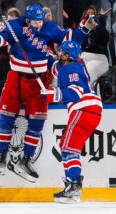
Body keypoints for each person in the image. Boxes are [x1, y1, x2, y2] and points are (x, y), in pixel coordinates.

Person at [0, 3, 97, 182]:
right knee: (6, 118)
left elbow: (71, 39)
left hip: (39, 80)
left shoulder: (50, 27)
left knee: (37, 122)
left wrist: (84, 29)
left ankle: (27, 159)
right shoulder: (15, 26)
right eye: (35, 22)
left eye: (40, 21)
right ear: (27, 19)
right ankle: (0, 156)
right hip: (16, 77)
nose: (39, 24)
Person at [41, 41, 102, 203]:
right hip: (92, 110)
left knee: (67, 148)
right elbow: (55, 66)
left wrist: (52, 94)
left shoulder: (70, 69)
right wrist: (45, 53)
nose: (59, 54)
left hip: (84, 109)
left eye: (62, 52)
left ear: (67, 56)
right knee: (68, 148)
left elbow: (75, 92)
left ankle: (74, 185)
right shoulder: (74, 66)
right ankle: (73, 187)